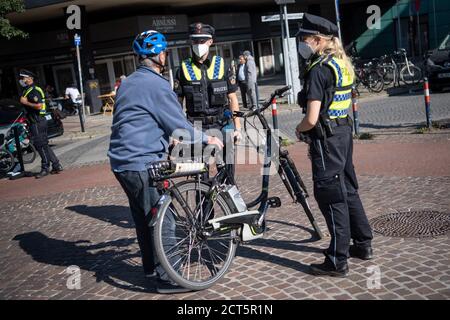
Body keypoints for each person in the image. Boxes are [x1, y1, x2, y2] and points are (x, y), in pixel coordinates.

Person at [107, 30, 223, 294]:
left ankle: (151, 268)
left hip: (120, 162)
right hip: (141, 161)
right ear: (160, 55)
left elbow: (133, 118)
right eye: (166, 53)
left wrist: (162, 136)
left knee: (144, 217)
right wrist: (209, 140)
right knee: (164, 219)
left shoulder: (127, 83)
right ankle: (168, 278)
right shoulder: (157, 84)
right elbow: (180, 126)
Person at [294, 14, 373, 277]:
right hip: (342, 133)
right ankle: (363, 244)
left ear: (317, 40)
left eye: (304, 38)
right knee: (348, 187)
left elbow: (311, 118)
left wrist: (299, 129)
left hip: (326, 140)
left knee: (330, 194)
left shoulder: (318, 69)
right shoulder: (340, 62)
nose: (301, 43)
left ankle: (338, 259)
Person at [174, 22, 241, 179]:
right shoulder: (183, 69)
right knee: (200, 180)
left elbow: (232, 98)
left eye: (202, 41)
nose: (199, 45)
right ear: (191, 42)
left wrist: (237, 127)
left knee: (228, 178)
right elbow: (177, 104)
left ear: (210, 42)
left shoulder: (222, 65)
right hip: (196, 127)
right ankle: (204, 204)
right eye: (195, 41)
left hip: (222, 124)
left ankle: (230, 203)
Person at [18, 69, 63, 178]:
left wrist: (26, 102)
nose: (22, 80)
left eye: (23, 78)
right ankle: (56, 165)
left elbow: (39, 106)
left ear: (29, 78)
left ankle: (45, 168)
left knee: (40, 144)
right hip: (35, 120)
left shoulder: (34, 90)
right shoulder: (27, 90)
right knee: (44, 144)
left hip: (37, 120)